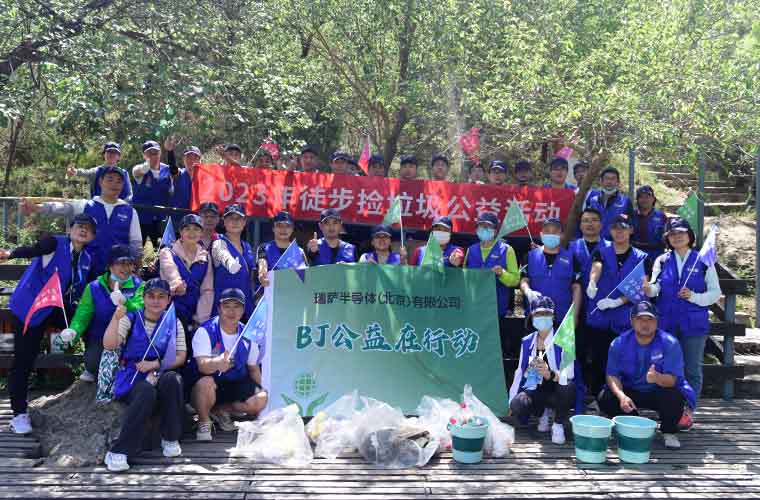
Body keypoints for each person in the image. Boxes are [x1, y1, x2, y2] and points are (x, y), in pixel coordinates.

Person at [1, 214, 97, 434]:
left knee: (90, 324)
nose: (83, 230)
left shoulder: (86, 259)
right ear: (70, 229)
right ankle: (19, 415)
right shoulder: (55, 243)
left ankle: (92, 367)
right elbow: (34, 249)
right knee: (24, 359)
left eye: (88, 229)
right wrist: (11, 253)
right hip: (30, 307)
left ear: (92, 237)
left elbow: (85, 287)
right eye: (79, 226)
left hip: (56, 308)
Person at [644, 218, 721, 430]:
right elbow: (655, 289)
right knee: (665, 367)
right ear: (667, 238)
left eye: (681, 233)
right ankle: (668, 409)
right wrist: (648, 290)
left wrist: (694, 297)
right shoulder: (662, 260)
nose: (677, 236)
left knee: (692, 369)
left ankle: (688, 411)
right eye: (672, 233)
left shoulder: (703, 260)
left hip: (694, 324)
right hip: (667, 323)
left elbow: (716, 293)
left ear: (690, 236)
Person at [103, 278, 187, 471]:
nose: (155, 301)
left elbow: (181, 356)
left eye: (161, 296)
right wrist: (116, 319)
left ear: (168, 299)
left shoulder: (173, 322)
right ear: (144, 298)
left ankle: (170, 438)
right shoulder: (130, 318)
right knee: (147, 391)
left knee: (174, 379)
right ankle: (120, 450)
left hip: (160, 371)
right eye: (151, 296)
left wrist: (156, 364)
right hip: (134, 377)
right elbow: (109, 345)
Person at [599, 301, 696, 450]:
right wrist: (621, 396)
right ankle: (633, 423)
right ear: (632, 321)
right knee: (605, 397)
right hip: (630, 391)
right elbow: (612, 375)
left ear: (657, 321)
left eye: (650, 319)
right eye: (640, 319)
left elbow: (673, 380)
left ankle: (669, 431)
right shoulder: (618, 343)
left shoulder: (670, 343)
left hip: (658, 391)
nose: (645, 323)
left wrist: (657, 378)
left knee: (675, 395)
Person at [20, 166, 142, 274]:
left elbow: (136, 244)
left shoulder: (130, 211)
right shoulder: (86, 205)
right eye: (109, 179)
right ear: (100, 181)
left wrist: (137, 268)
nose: (114, 184)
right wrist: (37, 207)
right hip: (87, 271)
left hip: (119, 273)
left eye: (119, 181)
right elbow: (62, 208)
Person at [189, 288, 269, 441]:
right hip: (208, 386)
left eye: (236, 306)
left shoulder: (247, 335)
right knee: (206, 383)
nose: (231, 311)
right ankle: (204, 420)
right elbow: (202, 366)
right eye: (227, 306)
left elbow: (253, 369)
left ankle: (220, 410)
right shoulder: (205, 331)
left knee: (261, 398)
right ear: (219, 308)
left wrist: (265, 395)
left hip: (234, 384)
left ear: (243, 309)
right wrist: (217, 363)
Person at [585, 214, 650, 397]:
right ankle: (598, 397)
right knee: (598, 359)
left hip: (626, 319)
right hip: (600, 316)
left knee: (625, 360)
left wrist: (617, 302)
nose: (619, 232)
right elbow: (596, 266)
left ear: (631, 230)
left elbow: (641, 288)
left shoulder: (641, 257)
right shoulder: (601, 250)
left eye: (624, 227)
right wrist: (592, 283)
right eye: (615, 228)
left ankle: (623, 398)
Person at [63, 244, 145, 382]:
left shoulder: (140, 286)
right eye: (120, 263)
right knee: (94, 363)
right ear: (110, 265)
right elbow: (83, 313)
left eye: (129, 263)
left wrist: (125, 302)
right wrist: (73, 331)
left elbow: (140, 308)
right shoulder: (93, 287)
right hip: (99, 338)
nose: (125, 268)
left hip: (129, 339)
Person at [509, 296, 578, 444]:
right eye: (538, 314)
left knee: (568, 387)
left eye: (546, 314)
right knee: (517, 404)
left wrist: (550, 374)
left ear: (553, 316)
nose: (542, 318)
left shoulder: (564, 338)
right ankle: (542, 413)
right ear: (532, 317)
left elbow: (569, 373)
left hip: (557, 391)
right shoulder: (527, 341)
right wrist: (512, 398)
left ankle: (558, 424)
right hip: (536, 389)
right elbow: (520, 372)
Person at [464, 211, 520, 350]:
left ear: (495, 230)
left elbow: (515, 279)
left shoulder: (506, 250)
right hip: (474, 309)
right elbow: (463, 278)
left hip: (496, 311)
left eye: (488, 227)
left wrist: (502, 274)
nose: (484, 230)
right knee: (473, 347)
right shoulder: (471, 250)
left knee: (493, 349)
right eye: (481, 226)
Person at [569, 208, 611, 387]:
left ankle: (597, 393)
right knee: (577, 351)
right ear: (580, 225)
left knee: (601, 353)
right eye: (586, 220)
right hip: (577, 306)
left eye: (594, 220)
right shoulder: (571, 246)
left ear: (601, 225)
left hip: (602, 309)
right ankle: (577, 392)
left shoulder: (611, 247)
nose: (590, 224)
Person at [159, 214, 214, 339]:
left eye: (196, 229)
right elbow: (170, 270)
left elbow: (207, 289)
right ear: (180, 232)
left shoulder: (206, 257)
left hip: (193, 316)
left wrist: (201, 318)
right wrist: (176, 283)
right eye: (187, 229)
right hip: (169, 311)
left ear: (201, 233)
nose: (191, 232)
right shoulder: (167, 252)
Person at [520, 218, 582, 328]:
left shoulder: (571, 258)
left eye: (555, 231)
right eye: (547, 231)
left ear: (561, 235)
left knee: (559, 346)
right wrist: (528, 291)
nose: (551, 234)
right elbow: (524, 280)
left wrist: (575, 315)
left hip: (562, 318)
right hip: (536, 316)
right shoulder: (530, 256)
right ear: (541, 234)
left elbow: (576, 288)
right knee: (536, 345)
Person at [210, 204, 256, 320]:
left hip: (245, 307)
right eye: (230, 218)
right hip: (224, 308)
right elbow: (223, 255)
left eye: (239, 218)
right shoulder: (218, 243)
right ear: (224, 221)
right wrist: (231, 264)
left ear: (244, 221)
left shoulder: (247, 246)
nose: (235, 222)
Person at [132, 140, 173, 248]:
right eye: (149, 153)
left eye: (156, 152)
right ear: (144, 155)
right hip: (142, 219)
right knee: (136, 251)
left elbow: (172, 190)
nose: (153, 155)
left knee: (163, 251)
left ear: (160, 153)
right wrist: (149, 164)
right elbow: (139, 171)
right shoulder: (138, 169)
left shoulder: (168, 170)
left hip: (161, 219)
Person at [66, 142, 132, 201]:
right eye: (109, 152)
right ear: (104, 155)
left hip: (118, 210)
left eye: (115, 153)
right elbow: (85, 172)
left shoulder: (124, 173)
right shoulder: (96, 171)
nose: (112, 154)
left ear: (119, 157)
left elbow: (129, 195)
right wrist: (75, 171)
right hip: (98, 209)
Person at [257, 211, 308, 286]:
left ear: (292, 229)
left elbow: (306, 276)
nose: (283, 229)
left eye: (287, 226)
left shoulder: (299, 251)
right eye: (279, 225)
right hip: (271, 293)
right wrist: (262, 275)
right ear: (273, 228)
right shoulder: (264, 248)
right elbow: (262, 265)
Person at [585, 167, 634, 239]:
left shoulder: (625, 202)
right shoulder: (592, 200)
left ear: (618, 182)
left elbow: (630, 226)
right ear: (601, 181)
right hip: (594, 243)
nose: (609, 182)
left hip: (616, 245)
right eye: (607, 178)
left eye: (613, 179)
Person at [167, 142, 202, 228]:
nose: (192, 160)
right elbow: (173, 169)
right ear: (183, 159)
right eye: (189, 157)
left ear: (200, 160)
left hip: (197, 222)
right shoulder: (179, 174)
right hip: (178, 221)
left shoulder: (204, 178)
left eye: (195, 158)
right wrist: (170, 151)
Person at [632, 185, 666, 262]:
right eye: (641, 197)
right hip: (635, 255)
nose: (644, 200)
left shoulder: (661, 216)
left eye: (647, 197)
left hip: (656, 256)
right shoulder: (631, 215)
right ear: (637, 199)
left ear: (653, 199)